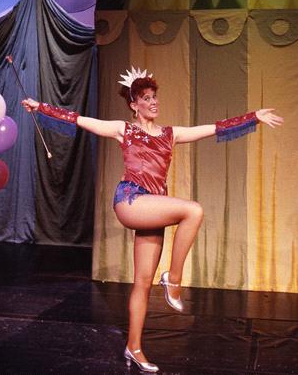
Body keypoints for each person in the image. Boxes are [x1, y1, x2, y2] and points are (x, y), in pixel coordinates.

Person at [22, 67, 283, 373]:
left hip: (152, 208)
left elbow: (214, 127)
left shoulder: (171, 135)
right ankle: (173, 280)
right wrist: (41, 107)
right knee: (193, 210)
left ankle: (134, 347)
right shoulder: (124, 129)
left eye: (155, 96)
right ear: (134, 104)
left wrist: (252, 116)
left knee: (142, 284)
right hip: (131, 200)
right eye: (147, 98)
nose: (154, 102)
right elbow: (81, 120)